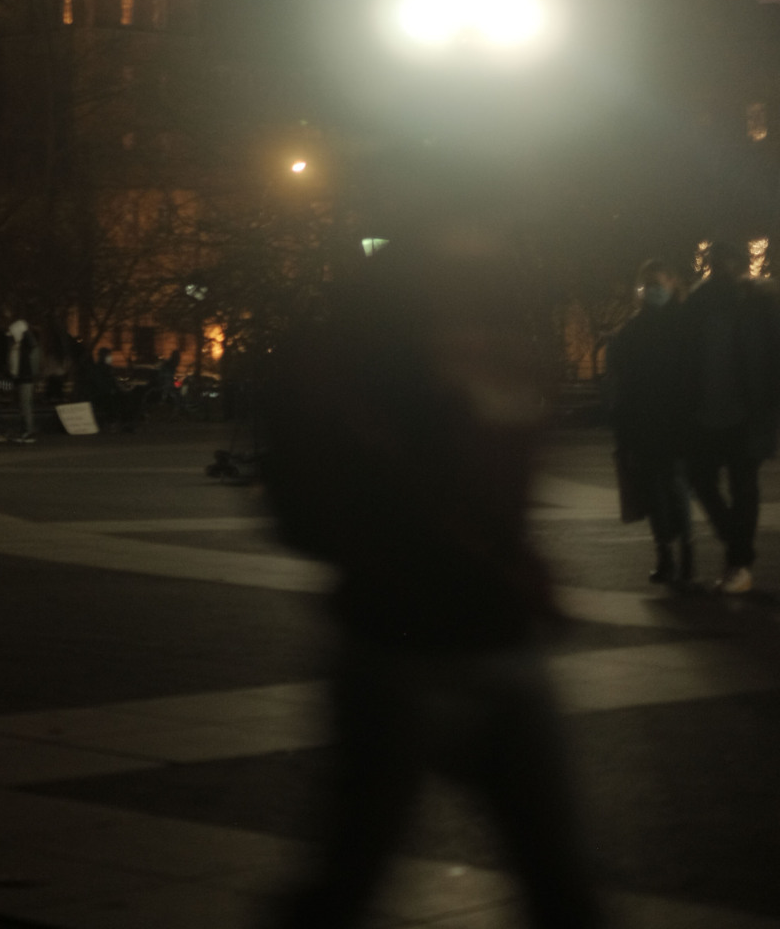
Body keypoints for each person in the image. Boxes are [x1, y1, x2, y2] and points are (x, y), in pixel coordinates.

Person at [264, 237, 604, 929]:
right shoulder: (383, 362)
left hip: (428, 639)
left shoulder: (368, 351)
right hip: (425, 645)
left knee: (355, 875)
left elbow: (300, 513)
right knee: (549, 878)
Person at [679, 238, 780, 595]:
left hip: (741, 412)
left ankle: (737, 557)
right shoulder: (702, 302)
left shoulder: (755, 303)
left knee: (740, 488)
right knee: (711, 482)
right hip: (714, 411)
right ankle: (737, 547)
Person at [605, 258, 692, 583]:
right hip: (645, 421)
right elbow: (621, 382)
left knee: (671, 485)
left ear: (672, 284)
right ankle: (669, 553)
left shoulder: (681, 326)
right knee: (657, 489)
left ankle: (681, 551)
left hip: (671, 420)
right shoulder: (635, 329)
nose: (654, 291)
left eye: (660, 284)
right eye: (649, 285)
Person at [7, 319, 41, 442]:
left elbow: (29, 363)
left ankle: (28, 431)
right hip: (21, 378)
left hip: (25, 378)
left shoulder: (26, 345)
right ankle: (25, 430)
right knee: (23, 405)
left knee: (25, 405)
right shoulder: (23, 345)